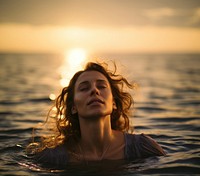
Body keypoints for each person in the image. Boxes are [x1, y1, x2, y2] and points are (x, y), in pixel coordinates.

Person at [27, 61, 165, 166]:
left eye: (101, 86)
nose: (94, 91)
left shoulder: (142, 147)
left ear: (114, 103)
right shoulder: (53, 157)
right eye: (84, 88)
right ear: (74, 107)